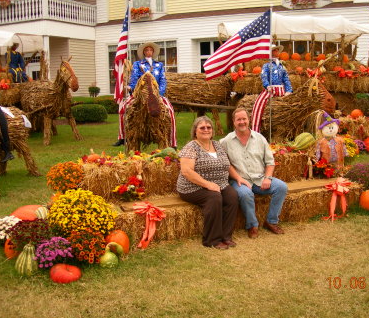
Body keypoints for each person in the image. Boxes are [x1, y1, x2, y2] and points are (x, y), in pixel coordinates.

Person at [220, 108, 287, 239]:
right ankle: (252, 225)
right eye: (238, 119)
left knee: (281, 187)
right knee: (245, 194)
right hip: (239, 180)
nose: (242, 122)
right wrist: (238, 178)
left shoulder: (260, 138)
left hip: (260, 178)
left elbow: (270, 162)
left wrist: (267, 178)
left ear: (249, 120)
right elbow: (225, 164)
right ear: (233, 122)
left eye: (244, 119)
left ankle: (271, 221)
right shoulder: (225, 142)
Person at [177, 116, 239, 250]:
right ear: (195, 131)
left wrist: (239, 178)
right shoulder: (191, 147)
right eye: (202, 128)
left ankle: (226, 236)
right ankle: (212, 239)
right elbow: (186, 171)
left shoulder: (217, 145)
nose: (206, 130)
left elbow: (227, 165)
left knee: (232, 196)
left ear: (212, 131)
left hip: (219, 184)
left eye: (209, 127)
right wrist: (208, 184)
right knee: (214, 197)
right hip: (192, 187)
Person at [113, 42, 177, 148]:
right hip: (140, 93)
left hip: (156, 93)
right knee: (123, 108)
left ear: (153, 52)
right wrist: (131, 87)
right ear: (143, 52)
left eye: (150, 50)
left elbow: (163, 80)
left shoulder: (159, 65)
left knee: (170, 110)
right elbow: (134, 78)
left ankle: (172, 141)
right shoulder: (138, 64)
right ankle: (122, 137)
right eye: (146, 50)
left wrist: (158, 93)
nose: (148, 52)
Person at [251, 44, 292, 133]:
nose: (276, 51)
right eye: (274, 50)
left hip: (281, 90)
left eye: (277, 50)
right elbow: (264, 76)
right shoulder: (266, 65)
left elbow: (286, 78)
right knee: (258, 103)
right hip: (270, 90)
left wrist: (289, 90)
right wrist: (267, 85)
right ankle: (255, 130)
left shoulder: (281, 66)